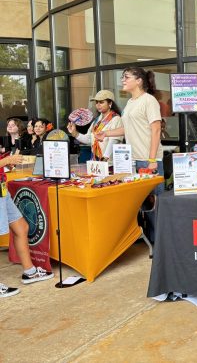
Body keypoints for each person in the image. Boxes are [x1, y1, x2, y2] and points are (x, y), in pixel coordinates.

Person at [95, 68, 163, 242]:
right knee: (141, 206)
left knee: (155, 206)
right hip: (132, 161)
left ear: (139, 81)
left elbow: (156, 130)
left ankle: (160, 243)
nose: (123, 80)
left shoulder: (149, 101)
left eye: (126, 77)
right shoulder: (130, 103)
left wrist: (152, 160)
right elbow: (127, 128)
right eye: (122, 77)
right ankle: (149, 240)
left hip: (149, 160)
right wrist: (106, 134)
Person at [0, 153, 54, 297]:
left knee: (21, 227)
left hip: (2, 189)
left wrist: (4, 163)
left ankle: (30, 272)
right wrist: (6, 160)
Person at [67, 90, 123, 162]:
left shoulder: (116, 119)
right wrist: (75, 133)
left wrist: (105, 158)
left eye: (101, 102)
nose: (98, 105)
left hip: (110, 163)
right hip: (96, 162)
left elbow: (114, 141)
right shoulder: (96, 121)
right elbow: (89, 140)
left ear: (110, 103)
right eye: (97, 102)